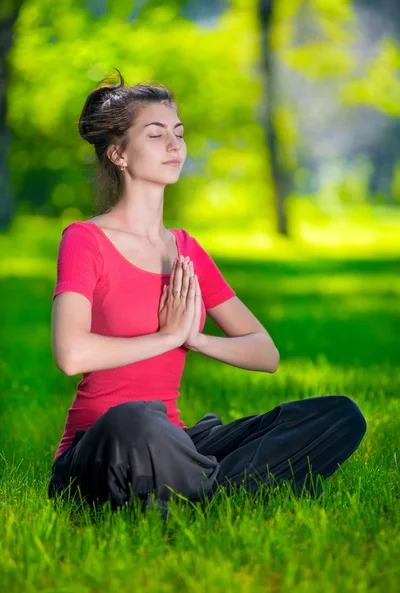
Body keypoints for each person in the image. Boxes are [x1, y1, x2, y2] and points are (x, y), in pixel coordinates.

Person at [48, 69, 367, 522]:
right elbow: (71, 354)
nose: (174, 145)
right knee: (138, 419)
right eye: (156, 134)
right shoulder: (84, 239)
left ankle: (193, 485)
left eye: (178, 133)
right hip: (102, 446)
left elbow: (265, 353)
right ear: (117, 152)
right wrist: (168, 335)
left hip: (174, 439)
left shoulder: (185, 249)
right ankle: (221, 487)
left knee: (339, 415)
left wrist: (195, 340)